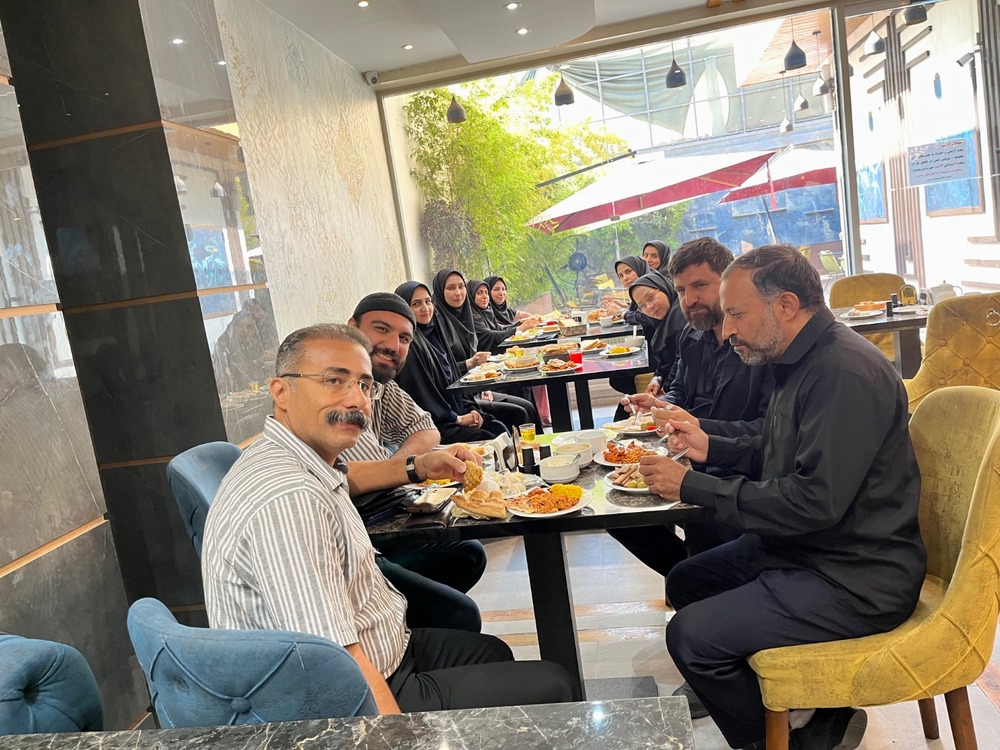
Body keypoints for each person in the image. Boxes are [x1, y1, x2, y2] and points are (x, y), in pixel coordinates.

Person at [203, 323, 575, 714]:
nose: (356, 400)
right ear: (281, 390)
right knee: (554, 684)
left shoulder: (296, 458)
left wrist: (419, 465)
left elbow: (353, 475)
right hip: (338, 697)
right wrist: (396, 734)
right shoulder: (289, 499)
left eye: (365, 385)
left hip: (388, 646)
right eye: (334, 380)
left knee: (492, 652)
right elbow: (332, 659)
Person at [639, 245, 926, 750]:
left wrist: (690, 484)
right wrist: (710, 446)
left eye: (736, 314)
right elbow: (775, 446)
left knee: (691, 638)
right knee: (687, 581)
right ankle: (797, 707)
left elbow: (813, 501)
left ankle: (789, 739)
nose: (727, 330)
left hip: (857, 575)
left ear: (786, 305)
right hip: (810, 548)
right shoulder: (799, 359)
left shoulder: (842, 372)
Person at [609, 238, 773, 584]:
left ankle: (699, 581)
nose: (689, 300)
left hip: (740, 469)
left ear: (728, 283)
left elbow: (770, 429)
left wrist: (697, 425)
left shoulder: (759, 342)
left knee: (705, 527)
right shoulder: (691, 336)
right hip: (687, 454)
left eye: (700, 286)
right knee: (616, 510)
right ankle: (695, 578)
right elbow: (680, 391)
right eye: (682, 290)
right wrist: (661, 405)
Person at [342, 292, 488, 632]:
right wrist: (410, 467)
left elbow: (425, 426)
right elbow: (337, 478)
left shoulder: (379, 387)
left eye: (405, 338)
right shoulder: (339, 395)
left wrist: (395, 466)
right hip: (347, 543)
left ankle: (404, 632)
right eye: (381, 329)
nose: (393, 345)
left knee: (468, 553)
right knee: (460, 614)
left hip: (382, 516)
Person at [393, 281, 506, 442]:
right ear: (404, 309)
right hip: (434, 424)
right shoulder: (410, 347)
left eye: (427, 301)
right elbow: (423, 398)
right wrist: (457, 418)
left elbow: (454, 379)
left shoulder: (435, 333)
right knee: (488, 437)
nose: (425, 308)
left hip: (458, 408)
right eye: (416, 304)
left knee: (498, 426)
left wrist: (471, 408)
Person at [432, 269, 541, 433]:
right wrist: (470, 364)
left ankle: (538, 447)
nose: (458, 293)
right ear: (440, 292)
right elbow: (442, 370)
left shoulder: (465, 317)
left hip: (475, 389)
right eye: (451, 288)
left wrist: (482, 386)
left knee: (527, 406)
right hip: (459, 400)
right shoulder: (437, 324)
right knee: (519, 412)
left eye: (461, 287)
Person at [467, 278, 534, 353]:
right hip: (485, 358)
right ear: (471, 295)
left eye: (486, 292)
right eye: (479, 293)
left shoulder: (487, 310)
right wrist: (518, 329)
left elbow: (499, 329)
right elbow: (489, 336)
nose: (485, 296)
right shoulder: (471, 317)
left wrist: (520, 323)